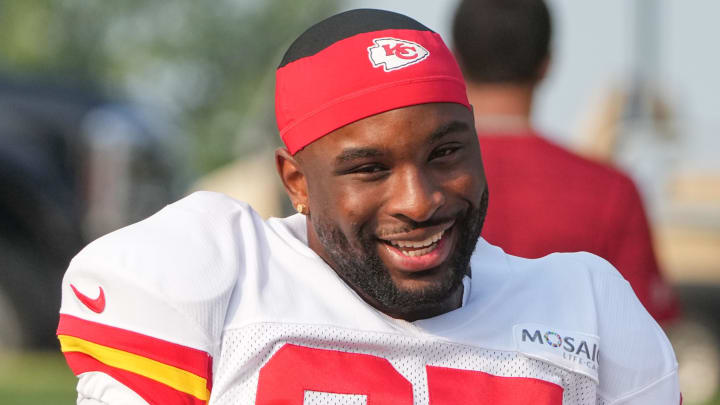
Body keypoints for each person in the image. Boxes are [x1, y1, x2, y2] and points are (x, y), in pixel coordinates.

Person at [56, 9, 679, 404]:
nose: (420, 201)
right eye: (369, 169)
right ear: (296, 182)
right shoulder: (215, 272)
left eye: (446, 153)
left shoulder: (585, 306)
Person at [452, 0, 679, 323]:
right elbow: (646, 330)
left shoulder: (415, 183)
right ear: (547, 64)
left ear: (456, 59)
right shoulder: (612, 191)